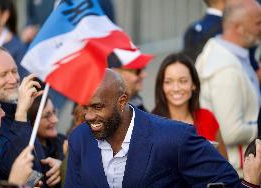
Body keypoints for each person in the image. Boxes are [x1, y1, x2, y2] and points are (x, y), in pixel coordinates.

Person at [65, 68, 258, 187]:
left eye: (98, 107)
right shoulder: (79, 139)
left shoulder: (175, 138)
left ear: (122, 101)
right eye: (85, 107)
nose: (89, 116)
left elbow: (225, 183)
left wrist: (249, 183)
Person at [0, 45, 60, 187]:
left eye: (14, 71)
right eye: (3, 74)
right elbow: (24, 176)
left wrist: (59, 167)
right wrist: (21, 114)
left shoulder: (16, 108)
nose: (13, 79)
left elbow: (37, 170)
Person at [196, 0, 261, 176]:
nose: (260, 28)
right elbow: (231, 132)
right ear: (239, 28)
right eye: (257, 23)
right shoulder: (225, 69)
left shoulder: (227, 52)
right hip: (238, 173)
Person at [152, 52, 228, 159]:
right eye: (168, 82)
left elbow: (225, 166)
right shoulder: (152, 125)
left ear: (194, 84)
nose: (176, 88)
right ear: (161, 86)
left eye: (183, 81)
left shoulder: (207, 118)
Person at [28, 95, 64, 187]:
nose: (55, 120)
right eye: (47, 115)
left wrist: (64, 167)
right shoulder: (26, 152)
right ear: (32, 121)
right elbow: (28, 185)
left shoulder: (64, 142)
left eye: (54, 112)